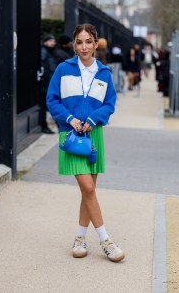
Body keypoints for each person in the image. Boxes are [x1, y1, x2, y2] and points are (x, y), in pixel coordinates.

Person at [46, 24, 125, 263]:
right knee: (88, 189)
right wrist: (70, 118)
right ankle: (106, 241)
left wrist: (93, 118)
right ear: (73, 44)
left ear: (95, 43)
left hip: (94, 136)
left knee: (87, 191)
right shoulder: (63, 69)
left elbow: (109, 104)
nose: (84, 47)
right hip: (71, 137)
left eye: (88, 42)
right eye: (79, 42)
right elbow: (52, 99)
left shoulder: (104, 73)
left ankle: (80, 238)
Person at [41, 34, 57, 134]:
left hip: (48, 83)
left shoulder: (49, 52)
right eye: (51, 41)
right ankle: (44, 126)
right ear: (46, 42)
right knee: (46, 105)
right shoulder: (44, 52)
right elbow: (44, 68)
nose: (53, 43)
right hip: (46, 84)